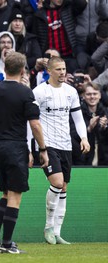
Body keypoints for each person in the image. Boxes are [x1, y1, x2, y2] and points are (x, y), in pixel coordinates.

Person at [0, 52, 49, 254]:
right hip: (15, 146)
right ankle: (8, 244)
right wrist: (42, 149)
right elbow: (35, 124)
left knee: (6, 193)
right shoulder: (25, 93)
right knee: (15, 196)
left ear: (4, 69)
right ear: (22, 70)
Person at [33, 56, 90, 245]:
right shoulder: (39, 92)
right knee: (57, 183)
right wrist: (30, 146)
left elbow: (78, 118)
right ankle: (48, 227)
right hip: (46, 144)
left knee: (64, 187)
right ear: (49, 71)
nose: (63, 72)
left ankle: (57, 232)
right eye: (58, 69)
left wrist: (83, 138)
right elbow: (31, 122)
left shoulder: (71, 92)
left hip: (65, 144)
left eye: (64, 69)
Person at [71, 82, 108, 165]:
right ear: (83, 96)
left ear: (100, 96)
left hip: (104, 160)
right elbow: (72, 135)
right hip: (83, 159)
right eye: (88, 94)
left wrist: (105, 127)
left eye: (95, 94)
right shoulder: (77, 112)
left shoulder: (106, 112)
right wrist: (89, 128)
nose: (92, 97)